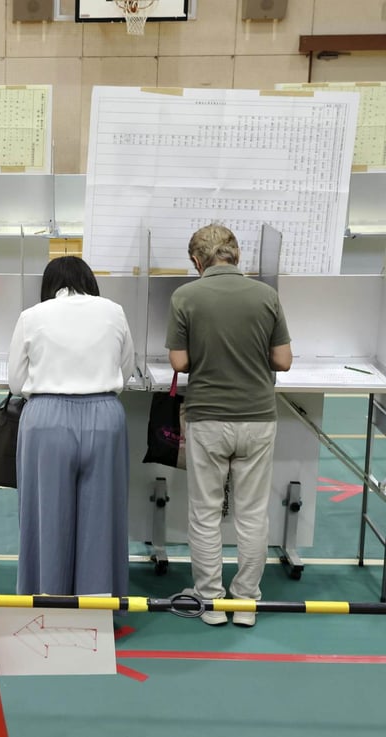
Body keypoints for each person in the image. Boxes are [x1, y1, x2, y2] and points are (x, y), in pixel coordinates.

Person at [166, 223, 292, 628]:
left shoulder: (185, 296)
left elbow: (180, 364)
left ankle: (210, 599)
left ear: (196, 261)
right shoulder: (266, 296)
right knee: (252, 513)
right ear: (237, 256)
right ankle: (246, 602)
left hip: (208, 417)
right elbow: (284, 360)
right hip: (257, 417)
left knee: (205, 512)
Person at [8, 255, 136, 597]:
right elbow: (127, 368)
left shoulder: (32, 316)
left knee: (46, 519)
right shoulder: (114, 311)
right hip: (105, 416)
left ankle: (45, 605)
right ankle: (98, 609)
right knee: (102, 522)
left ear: (49, 286)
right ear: (90, 282)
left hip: (46, 419)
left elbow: (16, 381)